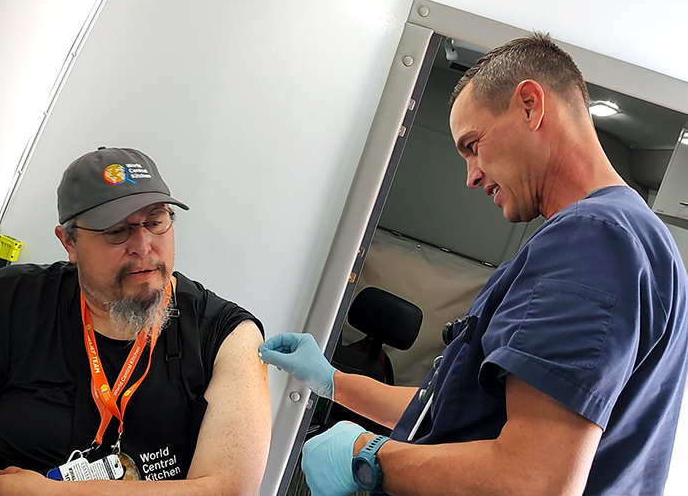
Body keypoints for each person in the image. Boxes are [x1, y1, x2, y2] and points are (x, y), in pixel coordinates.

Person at [261, 33, 688, 496]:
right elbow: (452, 412)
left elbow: (534, 480)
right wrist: (333, 382)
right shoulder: (637, 238)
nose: (471, 175)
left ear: (530, 105)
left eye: (473, 145)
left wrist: (370, 455)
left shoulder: (594, 243)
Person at [0, 147, 271, 496]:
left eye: (156, 221)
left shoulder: (228, 336)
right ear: (69, 242)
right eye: (117, 230)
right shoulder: (4, 304)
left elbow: (230, 488)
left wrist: (45, 495)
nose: (144, 245)